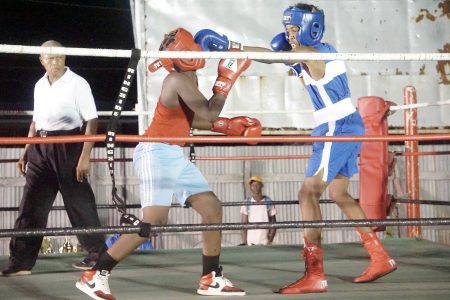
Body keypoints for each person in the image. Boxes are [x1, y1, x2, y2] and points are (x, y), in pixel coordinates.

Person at [194, 2, 397, 294]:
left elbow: (273, 58)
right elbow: (276, 57)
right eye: (287, 28)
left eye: (294, 28)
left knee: (308, 193)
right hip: (346, 123)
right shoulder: (312, 54)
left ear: (310, 28)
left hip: (335, 127)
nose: (289, 34)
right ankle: (380, 256)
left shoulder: (310, 52)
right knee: (339, 193)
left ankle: (315, 272)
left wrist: (229, 45)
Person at [76, 28, 259, 299]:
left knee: (212, 208)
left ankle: (210, 278)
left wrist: (225, 127)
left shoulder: (188, 76)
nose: (198, 52)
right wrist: (226, 78)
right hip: (156, 152)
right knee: (153, 222)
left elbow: (190, 119)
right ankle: (96, 274)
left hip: (174, 152)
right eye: (193, 49)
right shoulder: (174, 79)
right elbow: (209, 110)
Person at [2, 40, 107, 277]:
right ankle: (20, 262)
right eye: (49, 58)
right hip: (41, 146)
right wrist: (26, 149)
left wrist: (85, 156)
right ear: (41, 61)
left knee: (79, 202)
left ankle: (97, 256)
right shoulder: (40, 85)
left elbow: (91, 120)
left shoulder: (78, 83)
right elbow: (36, 122)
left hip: (69, 144)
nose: (55, 62)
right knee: (31, 205)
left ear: (65, 57)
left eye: (59, 57)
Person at [240, 175, 276, 246]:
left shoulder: (268, 202)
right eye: (253, 185)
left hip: (265, 242)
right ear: (250, 187)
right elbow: (244, 224)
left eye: (257, 184)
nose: (255, 187)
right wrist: (245, 242)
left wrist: (269, 240)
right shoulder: (246, 203)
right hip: (250, 242)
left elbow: (274, 223)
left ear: (261, 186)